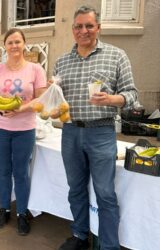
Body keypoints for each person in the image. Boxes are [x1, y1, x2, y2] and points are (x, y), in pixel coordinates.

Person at [54, 6, 138, 250]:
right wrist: (51, 92)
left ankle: (109, 245)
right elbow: (57, 99)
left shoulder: (116, 55)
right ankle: (80, 235)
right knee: (75, 188)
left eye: (89, 26)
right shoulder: (62, 62)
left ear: (98, 28)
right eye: (79, 26)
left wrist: (112, 100)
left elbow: (132, 94)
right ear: (73, 30)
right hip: (69, 132)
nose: (84, 31)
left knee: (105, 193)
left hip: (101, 132)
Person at [0, 28, 47, 235]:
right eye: (10, 42)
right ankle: (3, 209)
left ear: (24, 44)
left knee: (21, 172)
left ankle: (21, 213)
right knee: (3, 170)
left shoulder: (36, 70)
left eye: (18, 42)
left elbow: (41, 100)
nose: (14, 46)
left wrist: (21, 109)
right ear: (5, 46)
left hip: (24, 129)